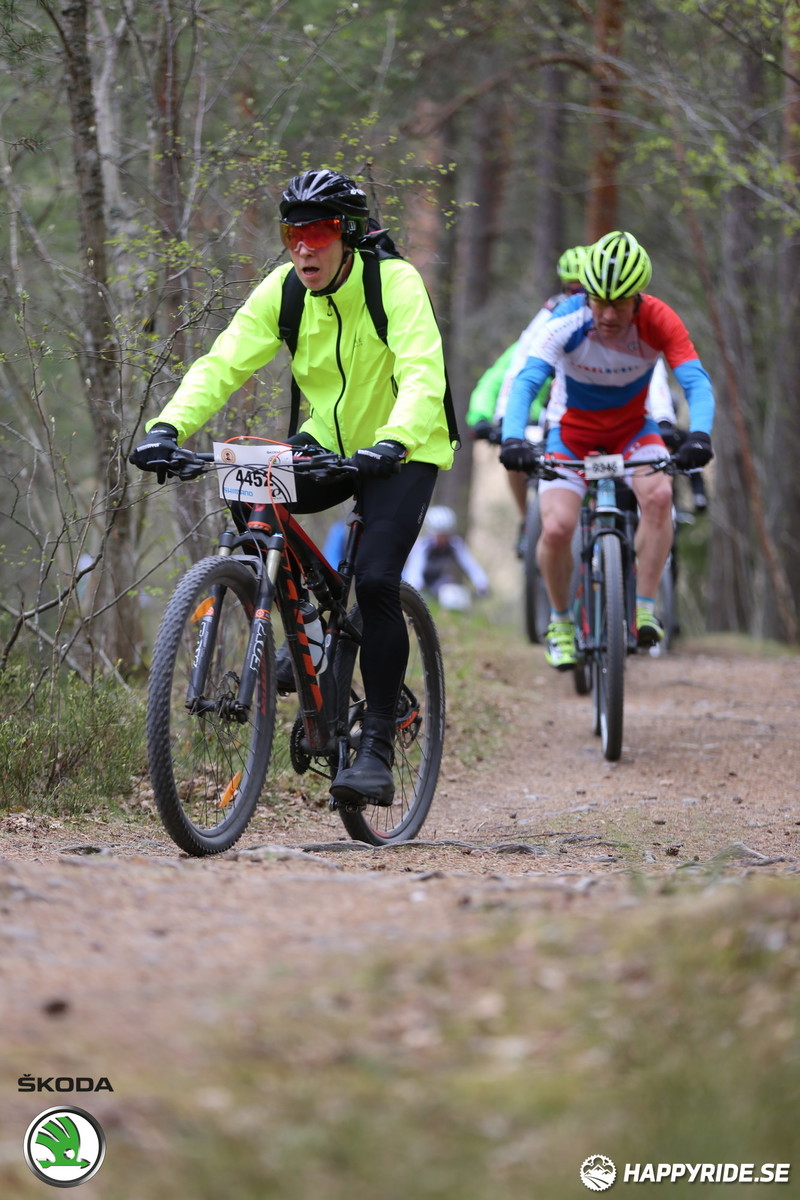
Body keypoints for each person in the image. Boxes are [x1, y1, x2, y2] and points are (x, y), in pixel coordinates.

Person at [129, 167, 455, 807]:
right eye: (292, 232)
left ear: (350, 234)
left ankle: (378, 746)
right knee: (249, 491)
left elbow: (423, 372)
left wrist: (393, 440)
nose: (304, 246)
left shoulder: (394, 284)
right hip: (326, 442)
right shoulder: (283, 291)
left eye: (320, 230)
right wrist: (167, 426)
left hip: (405, 447)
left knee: (380, 582)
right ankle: (302, 622)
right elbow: (223, 362)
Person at [499, 229, 715, 669]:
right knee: (557, 529)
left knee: (658, 497)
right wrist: (514, 439)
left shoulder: (659, 320)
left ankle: (644, 608)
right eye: (599, 300)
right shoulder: (566, 319)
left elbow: (695, 381)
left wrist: (700, 434)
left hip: (633, 430)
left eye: (620, 302)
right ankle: (560, 621)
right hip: (570, 432)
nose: (609, 313)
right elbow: (526, 382)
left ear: (639, 297)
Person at [467, 247, 588, 540]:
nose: (576, 297)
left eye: (583, 289)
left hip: (578, 419)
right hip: (539, 419)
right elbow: (500, 377)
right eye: (570, 289)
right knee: (515, 461)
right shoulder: (543, 330)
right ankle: (527, 521)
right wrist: (486, 418)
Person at [403, 505, 489, 609]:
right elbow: (415, 568)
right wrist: (415, 587)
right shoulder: (423, 546)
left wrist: (481, 583)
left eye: (446, 535)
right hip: (415, 582)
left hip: (436, 582)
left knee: (451, 594)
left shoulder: (455, 544)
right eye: (439, 535)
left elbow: (470, 565)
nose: (443, 539)